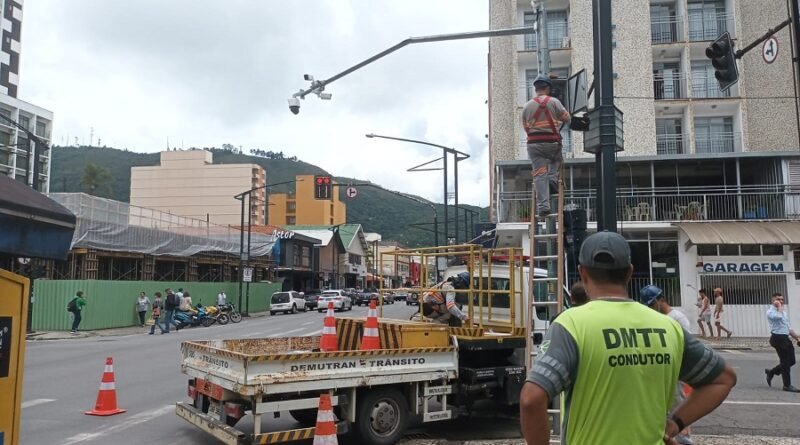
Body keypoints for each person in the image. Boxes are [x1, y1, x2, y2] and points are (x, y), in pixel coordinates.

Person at [520, 231, 736, 445]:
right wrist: (675, 423)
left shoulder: (571, 324)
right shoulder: (669, 327)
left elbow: (531, 399)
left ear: (582, 273)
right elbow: (724, 379)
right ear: (629, 273)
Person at [640, 284, 695, 445]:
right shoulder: (655, 317)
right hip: (660, 370)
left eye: (651, 303)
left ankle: (684, 439)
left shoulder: (677, 318)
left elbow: (685, 346)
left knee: (677, 409)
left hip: (675, 371)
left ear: (661, 300)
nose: (650, 307)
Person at [522, 75, 574, 218]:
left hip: (534, 144)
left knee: (539, 174)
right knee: (555, 161)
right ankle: (552, 180)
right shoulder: (554, 101)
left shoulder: (527, 106)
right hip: (552, 143)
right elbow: (567, 118)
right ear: (548, 88)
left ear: (536, 89)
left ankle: (543, 206)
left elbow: (525, 127)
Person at [765, 292, 800, 392]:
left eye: (782, 300)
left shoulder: (783, 312)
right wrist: (779, 306)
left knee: (791, 361)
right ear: (773, 301)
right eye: (778, 299)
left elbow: (788, 327)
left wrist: (797, 337)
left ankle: (771, 372)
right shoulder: (770, 312)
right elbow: (778, 317)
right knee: (785, 362)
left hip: (785, 338)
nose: (780, 301)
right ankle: (787, 385)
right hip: (778, 338)